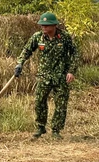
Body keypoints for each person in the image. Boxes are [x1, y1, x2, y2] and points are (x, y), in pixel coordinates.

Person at [14, 12, 77, 140]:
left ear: (54, 25)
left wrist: (72, 71)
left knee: (61, 104)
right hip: (44, 76)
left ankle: (56, 130)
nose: (43, 27)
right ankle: (40, 127)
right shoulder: (38, 37)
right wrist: (20, 63)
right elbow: (26, 50)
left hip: (61, 76)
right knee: (39, 101)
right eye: (42, 25)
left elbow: (75, 54)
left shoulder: (64, 37)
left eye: (46, 25)